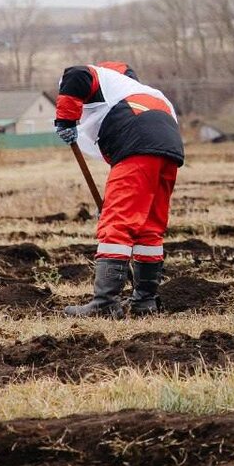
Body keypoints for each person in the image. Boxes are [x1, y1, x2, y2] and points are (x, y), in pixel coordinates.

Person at [54, 62, 184, 317]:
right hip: (169, 147)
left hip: (137, 143)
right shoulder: (145, 94)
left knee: (117, 225)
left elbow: (76, 74)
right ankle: (145, 301)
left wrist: (65, 120)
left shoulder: (100, 78)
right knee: (149, 226)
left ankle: (105, 304)